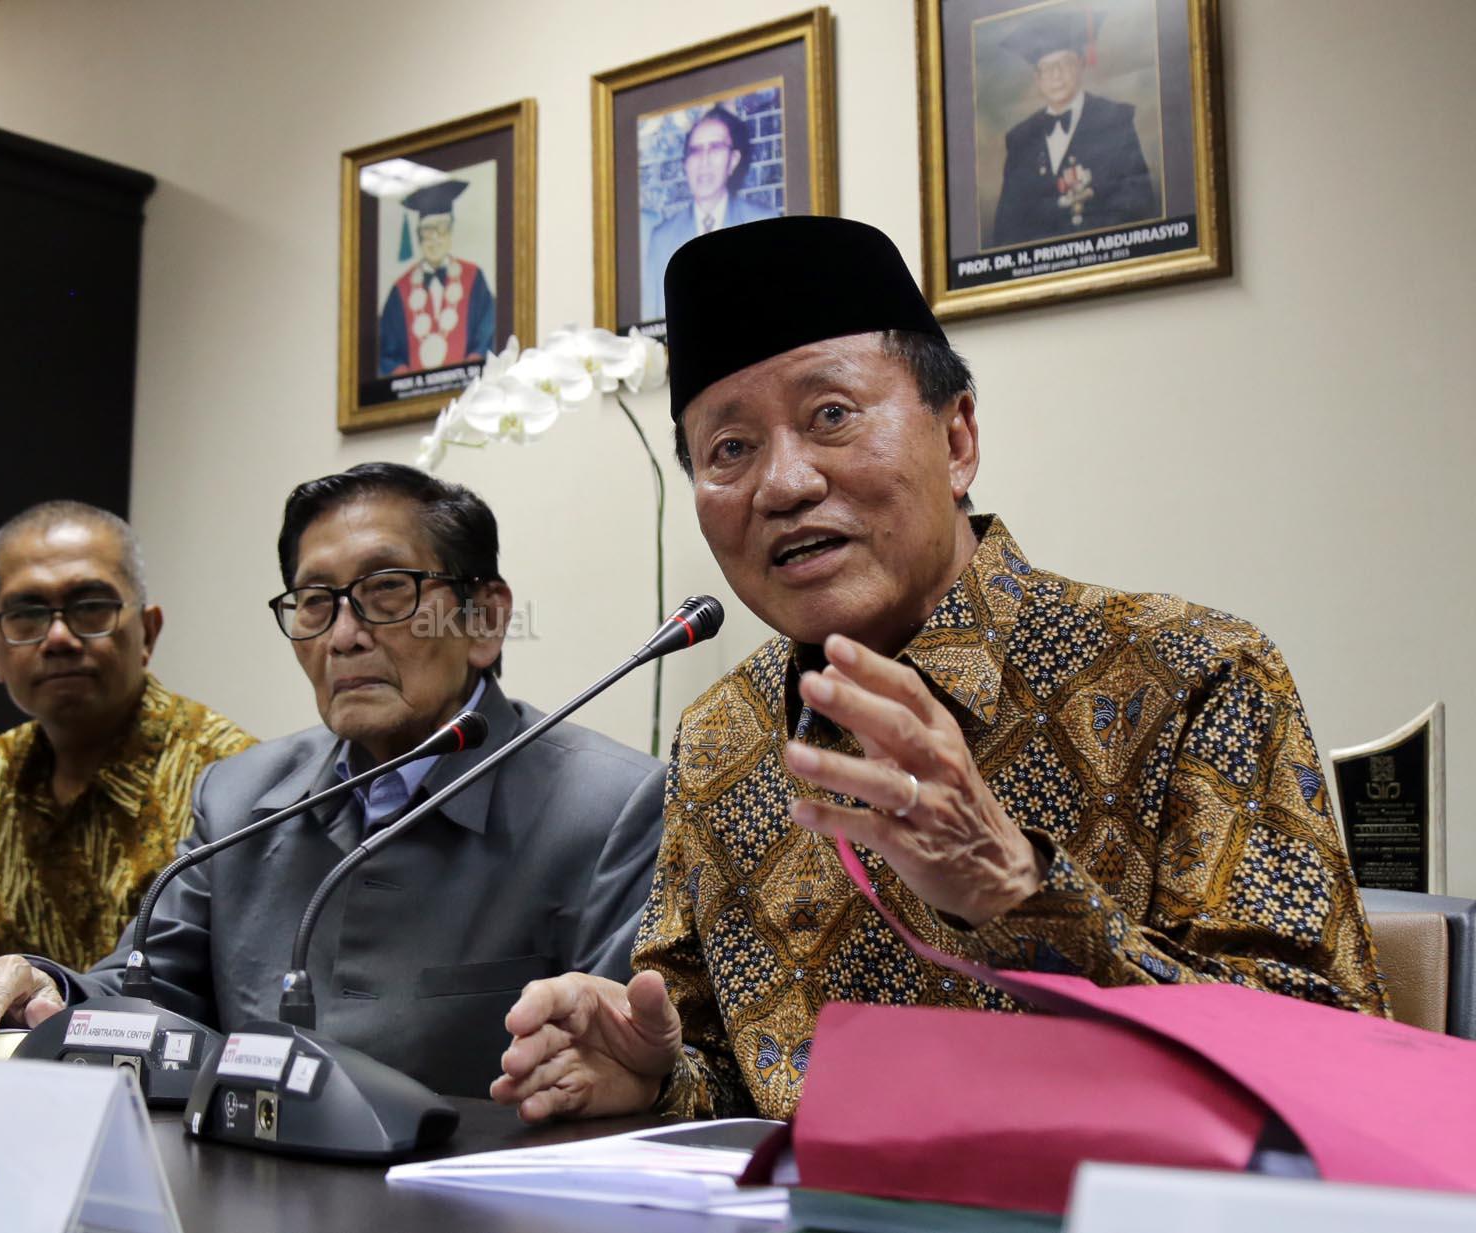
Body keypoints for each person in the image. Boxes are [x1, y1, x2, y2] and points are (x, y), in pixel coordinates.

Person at [491, 216, 1387, 1124]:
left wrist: (1019, 891)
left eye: (830, 415)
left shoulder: (1192, 673)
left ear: (957, 440)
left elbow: (1332, 1067)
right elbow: (727, 1070)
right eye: (731, 449)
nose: (785, 483)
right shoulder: (723, 731)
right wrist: (652, 1076)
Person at [0, 464, 666, 1099]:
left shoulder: (608, 806)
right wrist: (43, 985)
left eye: (388, 589)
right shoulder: (237, 798)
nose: (344, 635)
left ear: (485, 620)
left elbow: (622, 1066)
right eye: (315, 602)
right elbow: (143, 994)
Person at [0, 501, 253, 989]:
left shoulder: (231, 779)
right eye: (27, 614)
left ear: (148, 632)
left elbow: (243, 995)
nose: (58, 638)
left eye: (91, 607)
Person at [990, 7, 1157, 247]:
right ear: (1037, 78)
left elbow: (1139, 203)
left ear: (1081, 64)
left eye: (1065, 63)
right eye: (1046, 68)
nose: (1056, 75)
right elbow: (1007, 227)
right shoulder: (1020, 140)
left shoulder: (1114, 119)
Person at [640, 106, 780, 320]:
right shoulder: (662, 239)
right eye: (695, 151)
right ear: (685, 165)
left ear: (733, 160)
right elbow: (653, 324)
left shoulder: (763, 224)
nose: (704, 162)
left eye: (715, 148)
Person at [377, 179, 497, 377]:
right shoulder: (400, 289)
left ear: (451, 232)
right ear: (418, 236)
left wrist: (467, 380)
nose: (435, 239)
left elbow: (487, 336)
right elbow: (388, 353)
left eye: (442, 228)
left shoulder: (474, 278)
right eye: (427, 231)